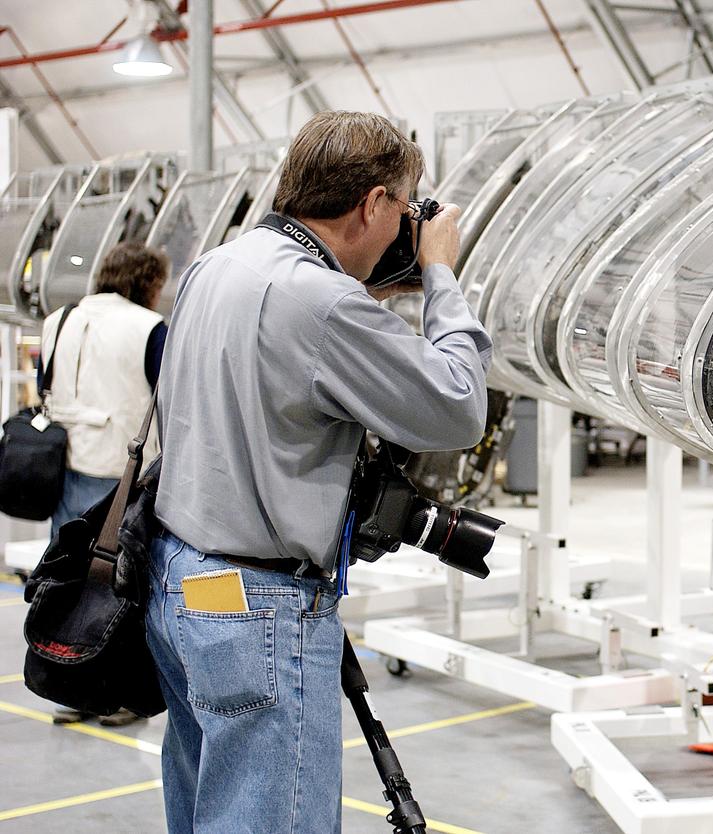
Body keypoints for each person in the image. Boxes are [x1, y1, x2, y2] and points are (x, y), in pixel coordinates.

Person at [144, 111, 490, 834]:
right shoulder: (322, 303)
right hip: (259, 612)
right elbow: (458, 408)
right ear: (371, 204)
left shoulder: (219, 264)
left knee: (211, 808)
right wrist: (440, 272)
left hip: (180, 585)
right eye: (402, 207)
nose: (405, 226)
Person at [39, 241, 169, 728]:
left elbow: (45, 380)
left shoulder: (60, 318)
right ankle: (120, 694)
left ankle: (71, 685)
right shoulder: (148, 328)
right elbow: (167, 397)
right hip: (124, 474)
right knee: (126, 590)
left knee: (71, 585)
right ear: (148, 282)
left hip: (66, 463)